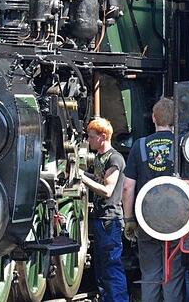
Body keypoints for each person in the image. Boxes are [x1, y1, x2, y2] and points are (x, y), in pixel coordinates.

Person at [122, 97, 186, 302]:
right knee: (173, 275)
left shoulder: (140, 146)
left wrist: (129, 219)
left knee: (150, 275)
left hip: (147, 220)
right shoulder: (183, 146)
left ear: (153, 118)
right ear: (176, 119)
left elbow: (127, 186)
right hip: (177, 222)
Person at [80, 117, 129, 302]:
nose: (89, 140)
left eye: (91, 137)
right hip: (101, 219)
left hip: (110, 219)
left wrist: (83, 179)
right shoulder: (101, 157)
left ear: (102, 136)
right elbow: (100, 178)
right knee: (102, 268)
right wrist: (84, 173)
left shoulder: (114, 158)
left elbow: (107, 190)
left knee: (111, 266)